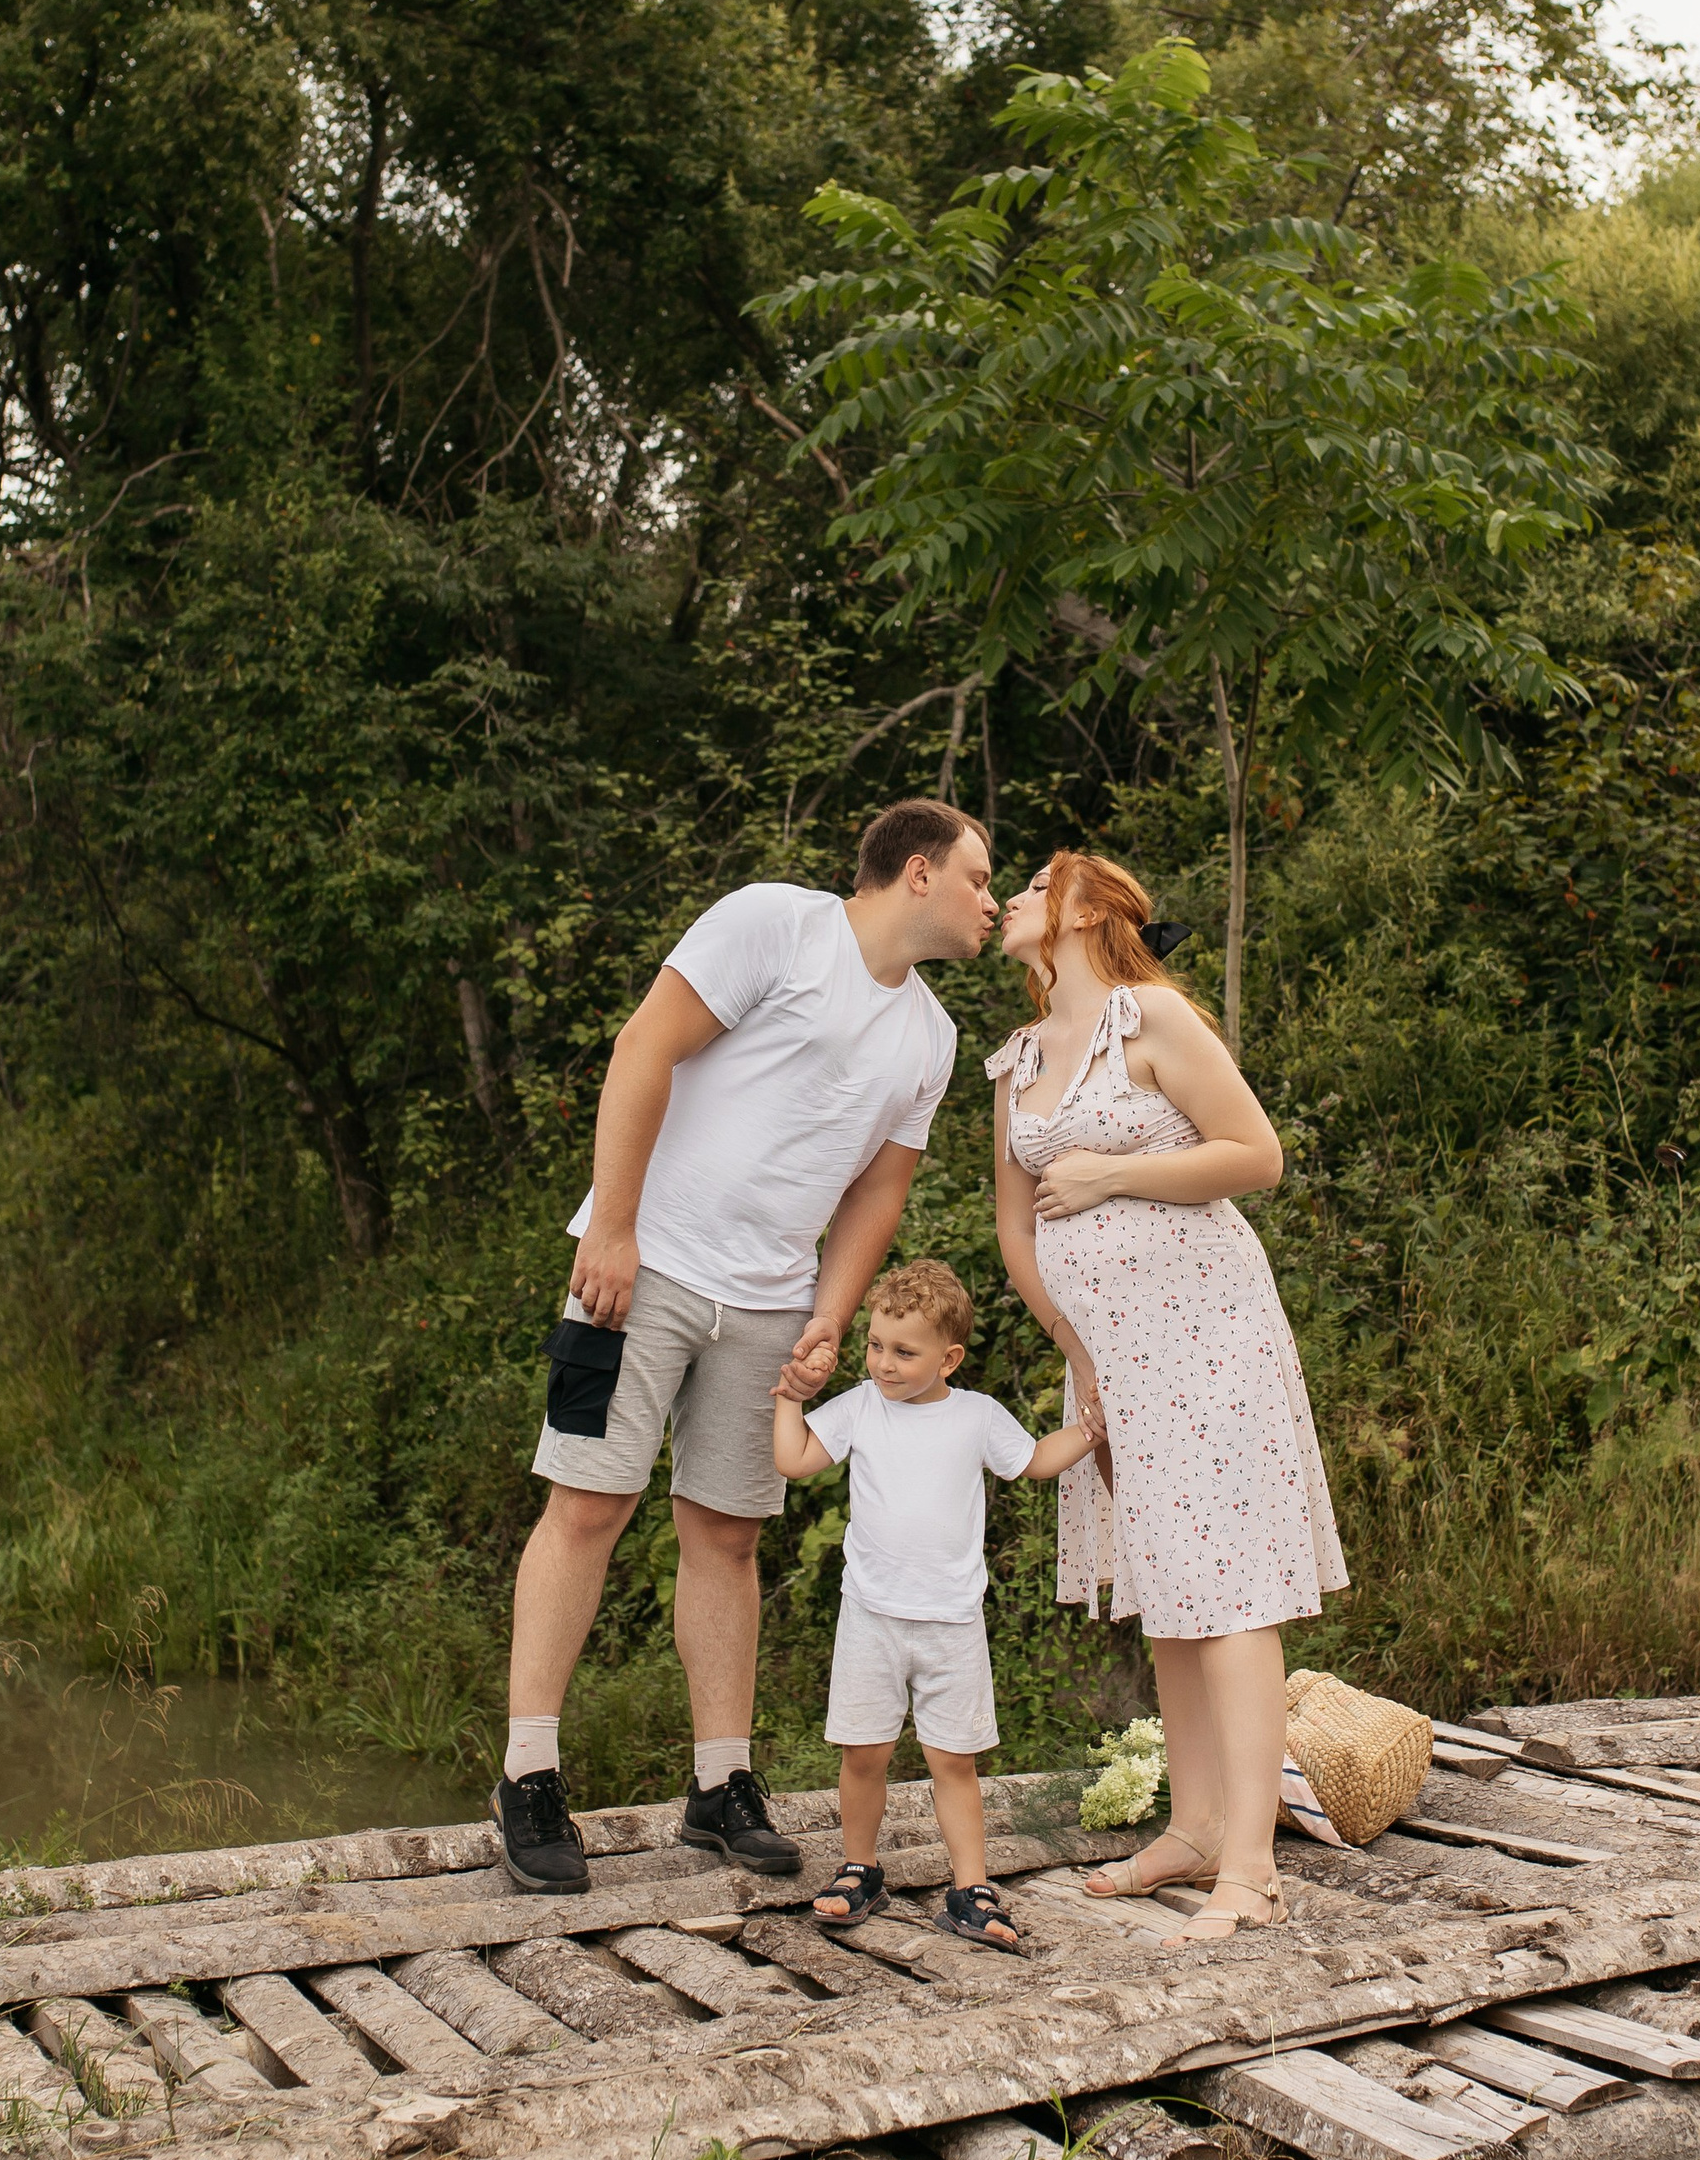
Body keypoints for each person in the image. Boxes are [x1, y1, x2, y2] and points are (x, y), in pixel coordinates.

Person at [491, 801, 999, 1895]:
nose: (991, 904)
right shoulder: (775, 923)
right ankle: (529, 1774)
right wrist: (615, 1225)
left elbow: (881, 1183)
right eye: (979, 878)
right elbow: (645, 1045)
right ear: (918, 873)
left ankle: (721, 1786)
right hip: (639, 1268)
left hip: (768, 1308)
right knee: (586, 1503)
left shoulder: (933, 1037)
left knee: (726, 1534)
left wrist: (830, 1309)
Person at [988, 852, 1347, 1944]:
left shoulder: (1152, 1018)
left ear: (1086, 909)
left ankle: (1252, 1862)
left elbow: (1257, 1154)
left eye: (1032, 886)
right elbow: (1016, 1231)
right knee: (1165, 1582)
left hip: (1207, 1333)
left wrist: (1112, 1175)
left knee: (1227, 1582)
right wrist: (1075, 1344)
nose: (1007, 898)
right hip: (1109, 1352)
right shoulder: (1015, 1060)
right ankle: (1192, 1828)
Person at [772, 1258, 1101, 1951]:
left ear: (948, 1357)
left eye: (903, 1351)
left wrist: (1093, 1434)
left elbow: (1034, 1462)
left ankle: (970, 1887)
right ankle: (858, 1869)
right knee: (865, 1753)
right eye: (876, 1345)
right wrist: (785, 1399)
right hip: (871, 1616)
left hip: (952, 1623)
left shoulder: (976, 1416)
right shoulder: (860, 1405)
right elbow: (795, 1459)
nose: (883, 1364)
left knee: (954, 1760)